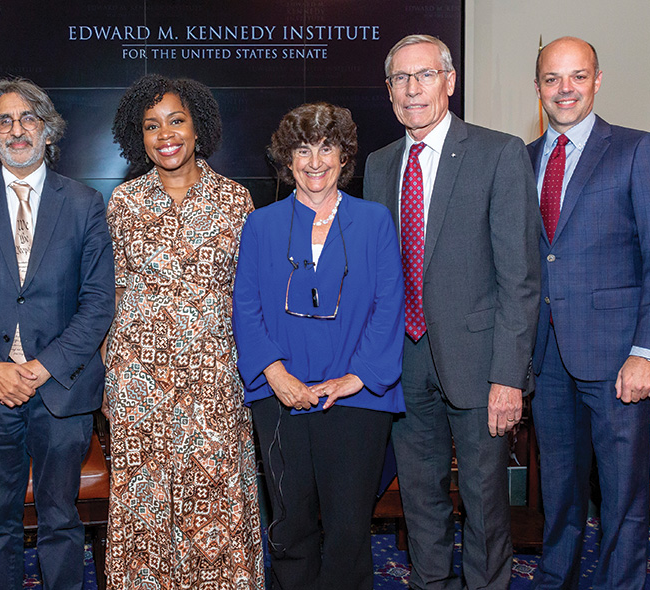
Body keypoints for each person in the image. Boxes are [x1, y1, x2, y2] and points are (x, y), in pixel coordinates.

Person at [362, 34, 541, 590]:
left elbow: (521, 278)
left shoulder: (498, 152)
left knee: (485, 502)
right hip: (404, 363)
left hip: (479, 363)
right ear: (388, 90)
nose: (412, 89)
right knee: (419, 497)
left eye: (424, 75)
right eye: (400, 79)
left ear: (449, 81)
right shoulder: (379, 164)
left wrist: (508, 378)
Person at [0, 77, 114, 590]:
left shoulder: (83, 203)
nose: (17, 130)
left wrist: (40, 368)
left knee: (61, 520)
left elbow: (98, 302)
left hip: (59, 389)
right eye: (5, 121)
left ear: (48, 129)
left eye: (28, 118)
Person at [527, 37, 650, 590]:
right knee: (559, 493)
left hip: (621, 359)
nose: (564, 89)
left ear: (598, 81)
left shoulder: (638, 151)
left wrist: (648, 352)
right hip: (547, 360)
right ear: (539, 88)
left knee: (622, 498)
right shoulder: (524, 160)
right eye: (552, 79)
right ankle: (557, 580)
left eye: (576, 76)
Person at [233, 102, 404, 590]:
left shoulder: (374, 221)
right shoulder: (260, 225)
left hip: (356, 400)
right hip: (281, 398)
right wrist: (276, 374)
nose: (314, 161)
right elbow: (246, 306)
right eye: (302, 149)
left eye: (326, 147)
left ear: (344, 156)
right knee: (291, 526)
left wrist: (356, 378)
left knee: (349, 531)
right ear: (286, 159)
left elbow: (389, 305)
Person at [104, 73, 264, 589]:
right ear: (139, 136)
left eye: (176, 121)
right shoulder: (123, 204)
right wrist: (112, 375)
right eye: (152, 126)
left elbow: (251, 295)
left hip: (215, 382)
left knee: (215, 504)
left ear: (198, 128)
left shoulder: (235, 201)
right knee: (145, 508)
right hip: (140, 385)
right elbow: (111, 294)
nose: (165, 134)